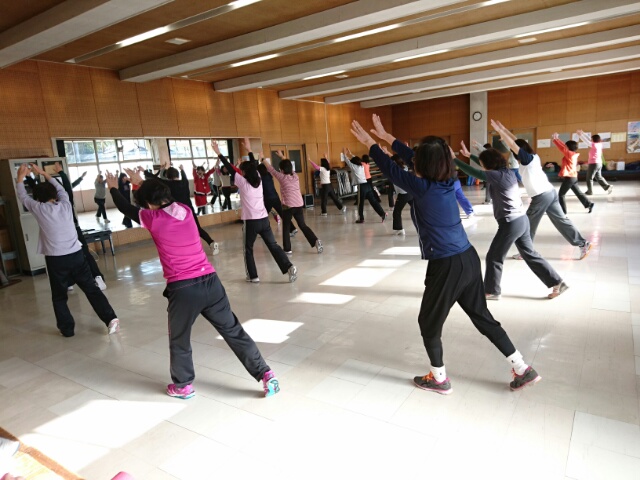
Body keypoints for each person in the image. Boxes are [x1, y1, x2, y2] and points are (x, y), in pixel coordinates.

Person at [350, 114, 541, 394]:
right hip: (467, 258)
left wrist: (371, 142)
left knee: (428, 322)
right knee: (482, 317)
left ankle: (439, 378)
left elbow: (391, 168)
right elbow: (415, 158)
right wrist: (386, 137)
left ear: (423, 165)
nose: (413, 162)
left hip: (447, 265)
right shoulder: (446, 178)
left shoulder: (422, 187)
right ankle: (522, 367)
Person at [105, 169, 280, 399]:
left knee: (179, 338)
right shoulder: (184, 210)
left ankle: (183, 386)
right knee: (233, 331)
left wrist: (113, 187)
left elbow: (125, 207)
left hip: (183, 289)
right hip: (211, 282)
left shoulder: (152, 218)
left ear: (148, 204)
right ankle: (266, 374)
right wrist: (141, 182)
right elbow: (162, 195)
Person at [455, 127, 569, 301]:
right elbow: (483, 166)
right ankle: (557, 282)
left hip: (511, 223)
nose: (483, 166)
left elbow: (475, 172)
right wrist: (470, 155)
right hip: (522, 220)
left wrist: (454, 159)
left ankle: (492, 291)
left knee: (494, 256)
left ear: (488, 165)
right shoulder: (507, 172)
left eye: (484, 164)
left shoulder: (495, 176)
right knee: (530, 254)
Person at [15, 164, 120, 337]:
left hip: (56, 259)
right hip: (77, 255)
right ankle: (111, 318)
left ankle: (67, 329)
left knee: (59, 296)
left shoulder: (38, 209)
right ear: (55, 195)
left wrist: (20, 177)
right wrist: (43, 173)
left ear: (38, 198)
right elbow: (61, 188)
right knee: (91, 289)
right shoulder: (65, 204)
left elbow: (22, 196)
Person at [484, 122, 592, 260]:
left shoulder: (527, 159)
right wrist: (504, 129)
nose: (513, 152)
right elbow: (515, 142)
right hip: (550, 192)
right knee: (561, 221)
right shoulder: (533, 156)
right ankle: (583, 243)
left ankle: (525, 252)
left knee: (527, 224)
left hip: (541, 196)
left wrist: (500, 131)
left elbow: (513, 144)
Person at [210, 141, 298, 283]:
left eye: (242, 171)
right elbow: (254, 165)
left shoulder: (242, 182)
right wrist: (249, 150)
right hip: (264, 220)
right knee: (273, 245)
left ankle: (253, 276)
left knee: (248, 249)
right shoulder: (259, 178)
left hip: (251, 222)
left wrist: (219, 153)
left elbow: (230, 168)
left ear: (244, 173)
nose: (241, 173)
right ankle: (289, 266)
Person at [53, 163, 107, 291]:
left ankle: (96, 277)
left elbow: (68, 186)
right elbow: (67, 186)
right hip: (67, 231)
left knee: (80, 254)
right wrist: (61, 173)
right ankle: (70, 281)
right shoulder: (58, 202)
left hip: (71, 230)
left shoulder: (64, 200)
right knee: (69, 256)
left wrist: (61, 173)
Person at [265, 151, 323, 255]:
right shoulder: (295, 176)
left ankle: (287, 249)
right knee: (302, 225)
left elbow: (271, 169)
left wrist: (262, 158)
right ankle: (315, 241)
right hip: (299, 204)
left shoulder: (282, 177)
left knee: (286, 227)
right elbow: (288, 166)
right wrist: (282, 156)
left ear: (282, 170)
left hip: (288, 206)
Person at [158, 165, 219, 255]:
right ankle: (211, 242)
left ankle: (186, 250)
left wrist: (159, 170)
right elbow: (184, 176)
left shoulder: (168, 184)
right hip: (189, 210)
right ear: (177, 174)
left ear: (168, 176)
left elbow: (156, 179)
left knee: (180, 232)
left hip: (178, 212)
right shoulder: (184, 182)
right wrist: (182, 169)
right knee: (198, 228)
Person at [341, 148, 387, 224]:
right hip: (367, 185)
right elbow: (356, 159)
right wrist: (351, 154)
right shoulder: (362, 166)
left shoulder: (354, 167)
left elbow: (348, 161)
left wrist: (344, 154)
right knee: (373, 201)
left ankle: (361, 218)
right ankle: (382, 214)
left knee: (360, 203)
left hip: (362, 186)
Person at [552, 133, 593, 214]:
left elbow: (562, 148)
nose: (565, 147)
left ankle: (563, 212)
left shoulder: (569, 154)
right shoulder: (572, 154)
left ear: (568, 147)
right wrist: (557, 139)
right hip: (573, 177)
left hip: (570, 177)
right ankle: (589, 204)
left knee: (561, 194)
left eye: (566, 146)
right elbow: (563, 146)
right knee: (578, 193)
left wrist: (555, 139)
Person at [577, 130, 613, 195]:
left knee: (589, 178)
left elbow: (587, 141)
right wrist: (583, 133)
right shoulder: (599, 144)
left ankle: (590, 191)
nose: (591, 140)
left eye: (592, 139)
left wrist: (580, 135)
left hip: (594, 164)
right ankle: (607, 187)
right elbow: (589, 139)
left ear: (593, 140)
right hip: (599, 163)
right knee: (598, 177)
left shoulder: (594, 145)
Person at [389, 154, 413, 235]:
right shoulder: (405, 168)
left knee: (397, 211)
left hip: (403, 194)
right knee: (416, 209)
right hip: (410, 192)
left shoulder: (395, 171)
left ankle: (399, 229)